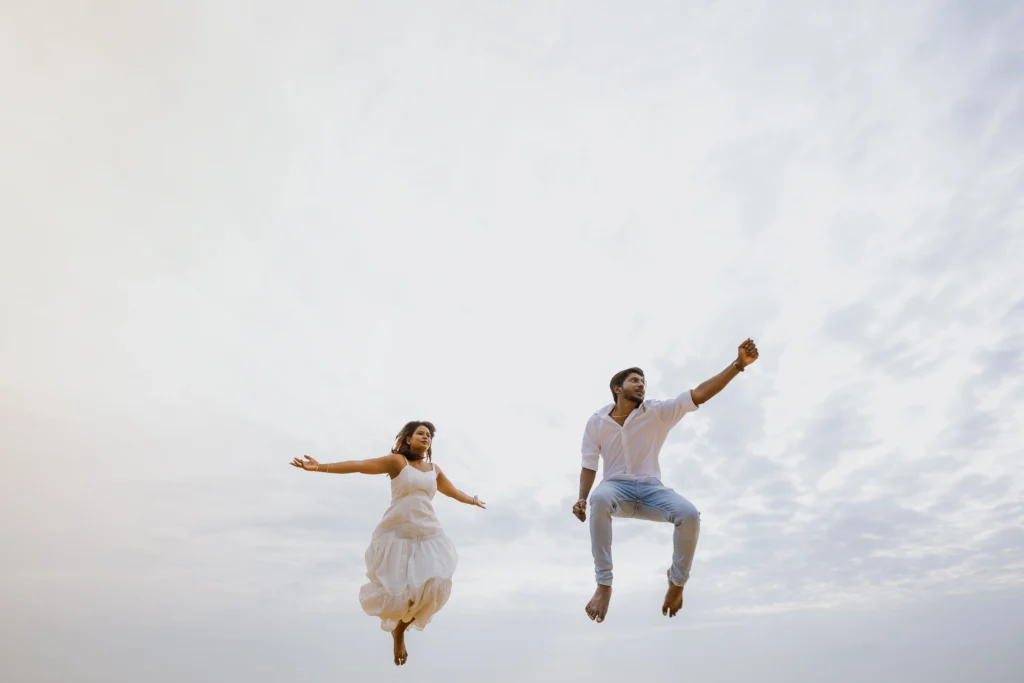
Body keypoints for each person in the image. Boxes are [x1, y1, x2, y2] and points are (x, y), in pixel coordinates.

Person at [572, 338, 759, 623]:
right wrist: (582, 497)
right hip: (616, 489)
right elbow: (589, 463)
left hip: (651, 491)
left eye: (644, 382)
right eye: (635, 380)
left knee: (689, 515)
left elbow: (699, 394)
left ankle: (676, 583)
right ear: (617, 388)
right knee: (599, 498)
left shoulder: (657, 412)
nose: (641, 385)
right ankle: (604, 585)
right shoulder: (596, 421)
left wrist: (737, 366)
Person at [290, 421, 485, 666]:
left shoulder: (434, 469)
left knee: (434, 586)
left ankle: (400, 630)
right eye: (420, 434)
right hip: (397, 535)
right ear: (408, 439)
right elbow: (360, 466)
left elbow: (453, 491)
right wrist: (320, 467)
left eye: (429, 435)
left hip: (428, 535)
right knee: (400, 593)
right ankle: (398, 634)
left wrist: (472, 500)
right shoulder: (397, 463)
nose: (426, 437)